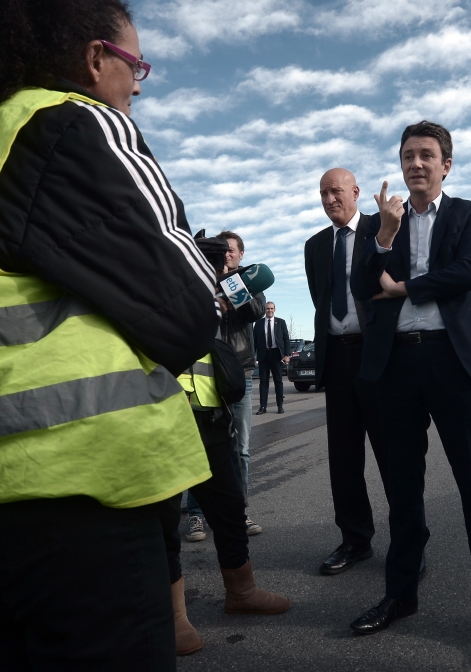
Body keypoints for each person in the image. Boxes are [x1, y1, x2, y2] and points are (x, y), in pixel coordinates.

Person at [0, 2, 222, 668]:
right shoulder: (76, 122)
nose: (137, 86)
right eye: (136, 66)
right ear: (94, 58)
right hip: (81, 487)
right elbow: (192, 307)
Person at [350, 121, 471, 665]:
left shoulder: (470, 213)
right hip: (397, 363)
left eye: (427, 155)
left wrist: (406, 288)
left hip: (454, 359)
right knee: (402, 488)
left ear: (446, 164)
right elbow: (360, 289)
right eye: (407, 156)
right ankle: (400, 595)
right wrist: (383, 239)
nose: (416, 164)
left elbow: (469, 271)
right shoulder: (382, 222)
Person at [163, 236, 289, 655]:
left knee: (231, 506)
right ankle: (175, 616)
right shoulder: (167, 285)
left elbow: (250, 313)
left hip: (213, 412)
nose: (217, 265)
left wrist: (229, 285)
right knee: (164, 520)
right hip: (165, 414)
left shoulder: (228, 289)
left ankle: (242, 592)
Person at [305, 167, 391, 575]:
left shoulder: (382, 227)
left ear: (355, 191)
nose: (328, 200)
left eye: (335, 192)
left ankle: (409, 543)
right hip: (336, 360)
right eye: (322, 194)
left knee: (394, 454)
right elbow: (320, 298)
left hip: (377, 358)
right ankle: (355, 540)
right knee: (343, 458)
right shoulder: (315, 245)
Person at [215, 230, 265, 535]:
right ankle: (196, 512)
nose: (226, 254)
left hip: (240, 371)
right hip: (204, 373)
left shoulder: (248, 278)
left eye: (231, 250)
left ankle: (239, 512)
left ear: (241, 254)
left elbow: (255, 313)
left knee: (241, 447)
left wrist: (231, 287)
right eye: (221, 250)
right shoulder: (202, 275)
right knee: (204, 446)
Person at [254, 302, 290, 414]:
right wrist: (253, 356)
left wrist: (287, 355)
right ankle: (263, 407)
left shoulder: (281, 322)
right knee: (263, 382)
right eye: (267, 308)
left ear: (275, 309)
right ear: (265, 310)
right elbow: (254, 341)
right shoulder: (259, 323)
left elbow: (286, 339)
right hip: (263, 355)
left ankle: (280, 405)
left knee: (278, 381)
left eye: (271, 308)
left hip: (276, 355)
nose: (269, 310)